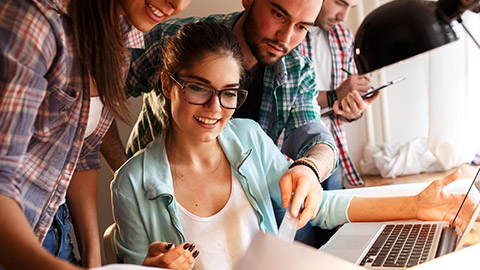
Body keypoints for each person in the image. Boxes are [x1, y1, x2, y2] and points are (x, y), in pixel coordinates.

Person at [111, 21, 475, 270]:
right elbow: (135, 267)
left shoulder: (248, 139)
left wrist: (416, 205)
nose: (214, 108)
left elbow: (319, 206)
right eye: (198, 88)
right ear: (167, 83)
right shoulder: (131, 185)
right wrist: (151, 266)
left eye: (228, 94)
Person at [103, 0, 339, 229]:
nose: (285, 38)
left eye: (301, 27)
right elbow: (96, 98)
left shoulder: (297, 71)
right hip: (159, 208)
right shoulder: (174, 40)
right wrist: (127, 172)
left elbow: (316, 138)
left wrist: (309, 168)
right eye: (279, 15)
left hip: (242, 214)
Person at [0, 0, 190, 269]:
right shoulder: (37, 20)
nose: (178, 4)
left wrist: (93, 263)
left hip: (54, 234)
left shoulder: (124, 31)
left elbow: (82, 154)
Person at [297, 0, 380, 190]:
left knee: (333, 220)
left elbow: (343, 105)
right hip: (291, 157)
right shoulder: (287, 34)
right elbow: (286, 99)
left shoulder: (344, 36)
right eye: (340, 3)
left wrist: (354, 109)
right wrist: (335, 95)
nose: (344, 16)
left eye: (352, 8)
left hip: (335, 152)